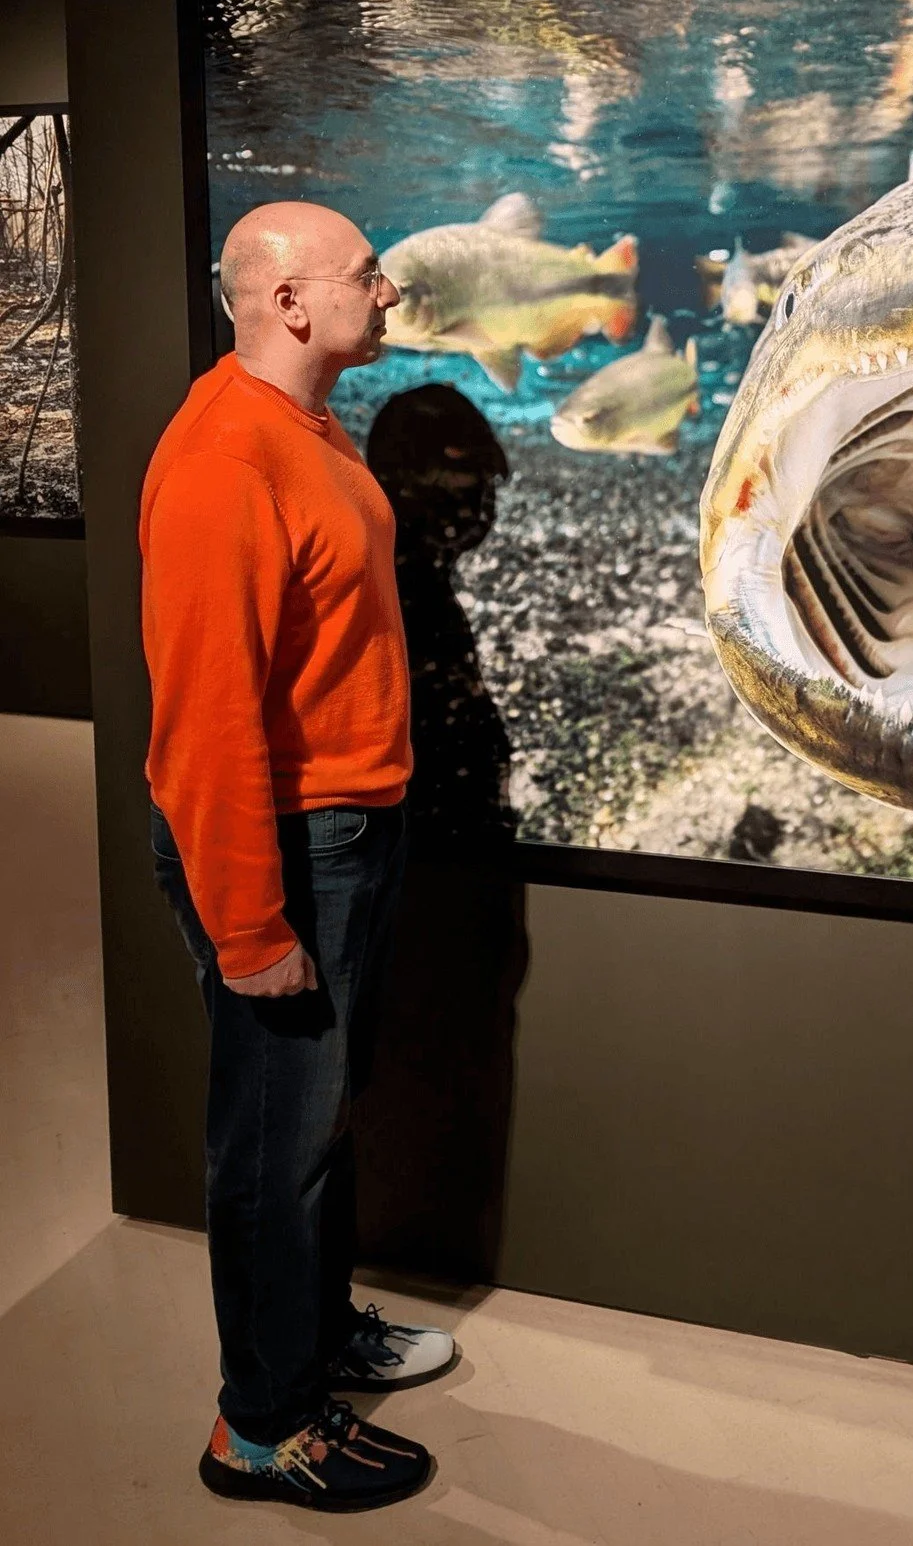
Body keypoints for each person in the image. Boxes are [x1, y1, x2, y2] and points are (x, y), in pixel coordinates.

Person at [141, 200, 451, 1513]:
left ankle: (315, 1340)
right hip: (283, 845)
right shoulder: (227, 455)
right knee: (275, 1146)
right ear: (288, 301)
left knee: (314, 1126)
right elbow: (203, 722)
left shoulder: (304, 426)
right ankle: (262, 1424)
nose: (388, 291)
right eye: (366, 274)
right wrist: (249, 926)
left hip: (342, 828)